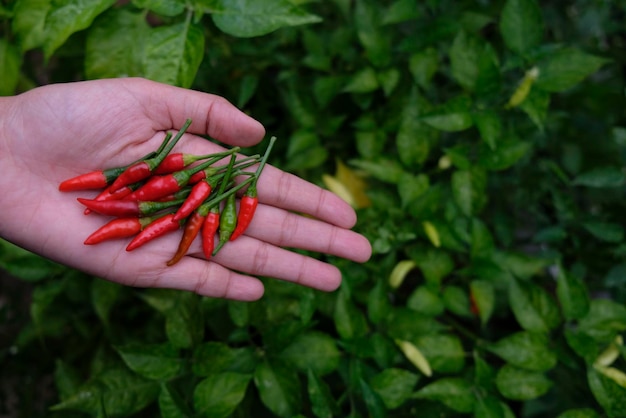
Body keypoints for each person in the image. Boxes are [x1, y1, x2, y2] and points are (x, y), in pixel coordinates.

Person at [0, 77, 372, 301]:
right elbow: (168, 207)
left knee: (171, 212)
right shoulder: (172, 182)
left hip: (179, 193)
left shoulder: (183, 193)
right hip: (175, 189)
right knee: (159, 207)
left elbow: (179, 214)